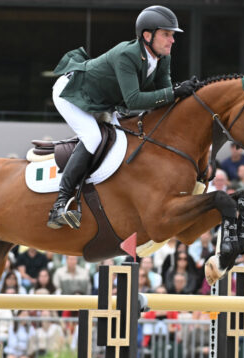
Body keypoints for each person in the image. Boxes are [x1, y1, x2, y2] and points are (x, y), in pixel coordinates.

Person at [46, 5, 193, 229]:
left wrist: (188, 93)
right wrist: (173, 92)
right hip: (73, 93)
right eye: (166, 34)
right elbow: (134, 100)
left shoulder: (163, 58)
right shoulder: (127, 55)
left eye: (172, 35)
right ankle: (59, 204)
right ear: (147, 35)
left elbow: (165, 97)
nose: (172, 40)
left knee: (124, 140)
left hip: (102, 101)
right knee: (93, 137)